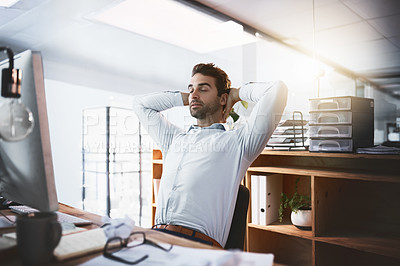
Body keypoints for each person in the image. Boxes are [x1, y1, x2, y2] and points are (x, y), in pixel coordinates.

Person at [133, 63, 288, 248]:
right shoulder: (173, 139)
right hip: (156, 238)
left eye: (203, 88)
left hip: (197, 246)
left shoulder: (238, 143)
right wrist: (190, 98)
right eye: (191, 89)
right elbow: (140, 104)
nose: (194, 94)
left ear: (223, 99)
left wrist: (236, 94)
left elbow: (277, 90)